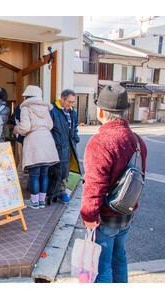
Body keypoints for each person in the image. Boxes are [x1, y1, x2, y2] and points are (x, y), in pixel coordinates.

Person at [80, 85, 147, 283]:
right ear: (125, 111)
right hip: (126, 211)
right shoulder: (137, 140)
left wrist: (88, 215)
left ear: (100, 111)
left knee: (102, 266)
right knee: (119, 260)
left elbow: (94, 184)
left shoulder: (100, 141)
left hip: (105, 216)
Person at [13, 86, 59, 209]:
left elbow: (25, 128)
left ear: (27, 96)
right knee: (44, 172)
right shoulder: (45, 108)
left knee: (34, 173)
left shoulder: (25, 108)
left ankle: (34, 202)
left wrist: (15, 129)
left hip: (33, 141)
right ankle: (41, 201)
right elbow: (50, 125)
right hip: (47, 140)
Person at [49, 89, 81, 203]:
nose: (71, 104)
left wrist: (75, 137)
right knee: (56, 170)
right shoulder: (53, 110)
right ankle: (56, 192)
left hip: (69, 144)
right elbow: (49, 129)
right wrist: (53, 142)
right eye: (69, 101)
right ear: (62, 98)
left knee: (65, 170)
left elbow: (75, 127)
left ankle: (62, 191)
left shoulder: (73, 112)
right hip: (57, 145)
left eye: (73, 102)